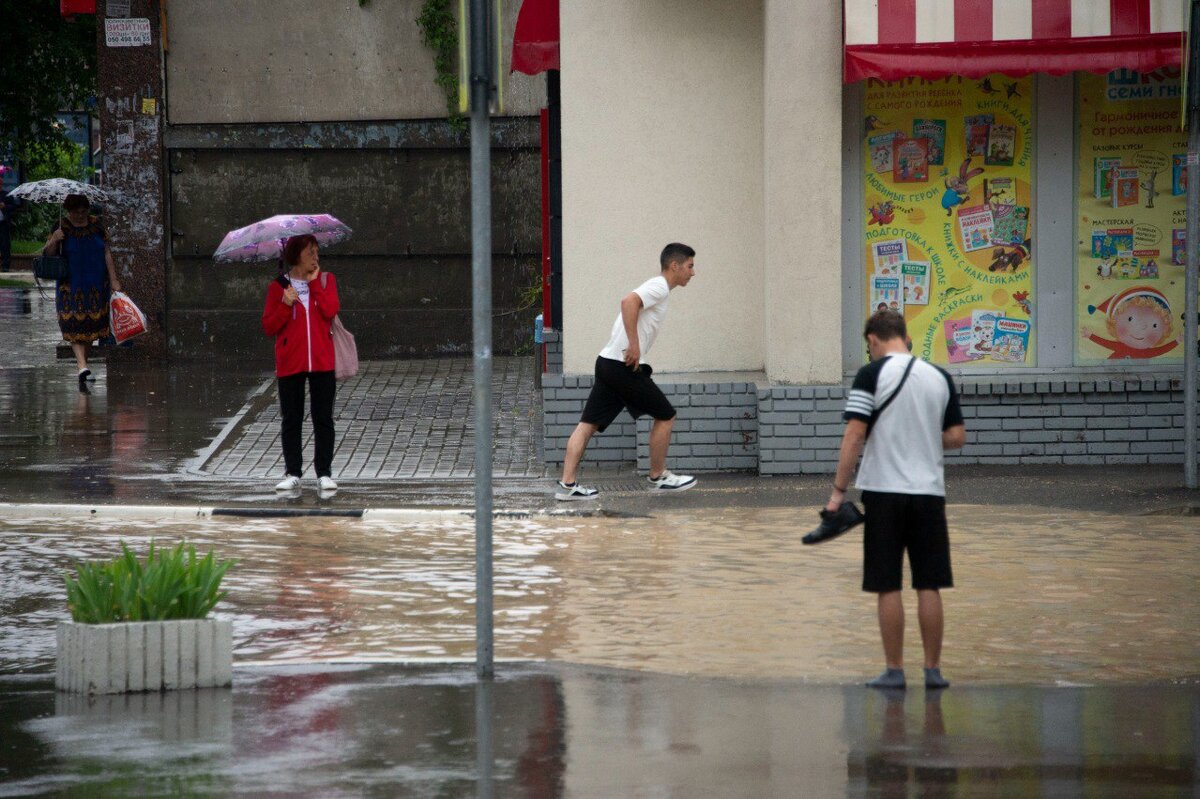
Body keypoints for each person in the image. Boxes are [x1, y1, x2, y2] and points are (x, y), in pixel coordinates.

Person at [820, 310, 965, 690]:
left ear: (873, 339)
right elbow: (955, 437)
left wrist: (838, 493)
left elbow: (854, 435)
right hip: (929, 493)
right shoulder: (939, 376)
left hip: (884, 493)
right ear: (905, 335)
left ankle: (895, 670)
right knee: (929, 584)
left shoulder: (872, 374)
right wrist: (921, 436)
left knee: (888, 585)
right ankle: (933, 671)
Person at [555, 242, 698, 501]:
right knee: (666, 415)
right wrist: (634, 344)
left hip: (607, 362)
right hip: (621, 366)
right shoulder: (659, 286)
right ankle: (659, 475)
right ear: (674, 266)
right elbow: (628, 301)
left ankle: (568, 485)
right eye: (690, 266)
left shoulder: (659, 288)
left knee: (587, 424)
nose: (693, 272)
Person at [261, 234, 340, 494]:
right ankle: (293, 472)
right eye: (310, 253)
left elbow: (330, 311)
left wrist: (315, 285)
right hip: (290, 362)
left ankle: (324, 473)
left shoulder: (327, 280)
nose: (316, 257)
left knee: (323, 419)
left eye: (317, 252)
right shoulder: (278, 287)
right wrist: (285, 304)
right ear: (295, 256)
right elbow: (269, 326)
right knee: (291, 419)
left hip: (322, 361)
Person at [43, 194, 121, 384]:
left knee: (91, 328)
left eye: (83, 211)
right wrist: (54, 239)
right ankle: (81, 366)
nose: (79, 215)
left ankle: (83, 367)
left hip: (96, 285)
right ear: (68, 211)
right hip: (70, 285)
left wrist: (114, 280)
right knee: (73, 326)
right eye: (75, 212)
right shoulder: (61, 226)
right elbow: (47, 254)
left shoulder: (97, 226)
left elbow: (107, 253)